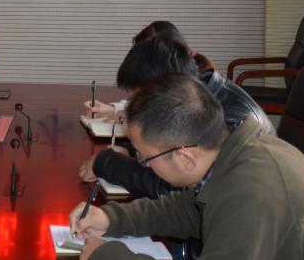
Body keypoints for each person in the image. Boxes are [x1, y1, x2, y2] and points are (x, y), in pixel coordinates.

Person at [70, 73, 304, 260]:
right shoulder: (241, 154)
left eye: (144, 157)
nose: (144, 165)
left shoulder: (254, 193)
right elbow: (190, 208)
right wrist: (112, 218)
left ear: (186, 158)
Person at [79, 35, 275, 198]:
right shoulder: (199, 97)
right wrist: (134, 151)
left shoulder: (230, 122)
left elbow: (178, 192)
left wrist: (109, 164)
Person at [84, 20, 213, 117]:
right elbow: (152, 104)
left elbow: (164, 114)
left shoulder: (200, 100)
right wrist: (113, 110)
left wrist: (130, 120)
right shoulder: (179, 81)